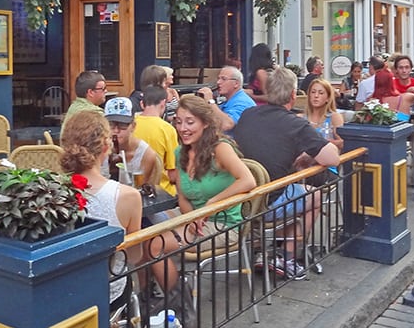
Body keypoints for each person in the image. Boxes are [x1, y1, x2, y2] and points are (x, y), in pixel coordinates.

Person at [233, 67, 340, 279]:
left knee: (294, 191)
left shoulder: (247, 115)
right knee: (314, 196)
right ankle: (288, 257)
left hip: (241, 198)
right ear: (293, 95)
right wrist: (309, 156)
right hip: (269, 202)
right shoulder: (296, 124)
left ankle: (264, 251)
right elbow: (332, 158)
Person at [59, 110, 143, 328]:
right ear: (106, 146)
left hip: (62, 289)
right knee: (125, 276)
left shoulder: (49, 191)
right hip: (108, 293)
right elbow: (135, 256)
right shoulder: (128, 196)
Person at [174, 95, 256, 253]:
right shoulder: (180, 152)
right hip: (192, 218)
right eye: (178, 122)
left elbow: (248, 180)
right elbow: (182, 197)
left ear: (205, 123)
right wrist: (191, 218)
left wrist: (211, 204)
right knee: (143, 231)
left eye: (190, 122)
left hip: (223, 224)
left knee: (155, 245)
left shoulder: (220, 148)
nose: (183, 128)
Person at [101, 96, 159, 186]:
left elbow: (144, 188)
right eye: (111, 125)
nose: (116, 130)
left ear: (133, 126)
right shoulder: (98, 150)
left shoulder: (146, 155)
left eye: (122, 125)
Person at [134, 85, 179, 195]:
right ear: (163, 103)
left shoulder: (130, 125)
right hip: (161, 191)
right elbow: (172, 172)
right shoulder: (167, 129)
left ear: (141, 104)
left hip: (134, 188)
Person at [196, 65, 256, 134]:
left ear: (236, 83)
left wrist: (210, 101)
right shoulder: (227, 101)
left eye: (223, 79)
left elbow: (226, 125)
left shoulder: (242, 102)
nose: (218, 82)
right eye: (218, 78)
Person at [61, 70, 106, 138]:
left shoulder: (74, 106)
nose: (106, 91)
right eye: (103, 88)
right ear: (91, 92)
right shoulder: (94, 113)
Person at [305, 79, 344, 151]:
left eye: (321, 93)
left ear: (328, 98)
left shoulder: (334, 117)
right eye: (313, 92)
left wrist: (324, 143)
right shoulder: (300, 118)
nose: (316, 96)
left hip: (327, 158)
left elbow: (342, 143)